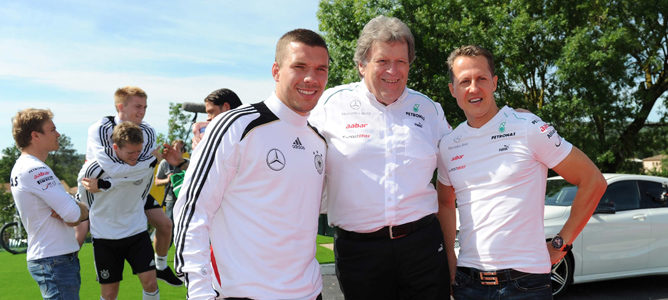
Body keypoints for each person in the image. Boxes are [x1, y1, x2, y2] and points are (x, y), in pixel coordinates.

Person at [439, 45, 607, 299]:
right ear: (453, 90)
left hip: (525, 284)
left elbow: (593, 181)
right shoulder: (449, 144)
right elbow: (445, 201)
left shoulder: (527, 127)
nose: (474, 88)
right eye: (464, 81)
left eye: (481, 78)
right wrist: (450, 259)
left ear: (494, 83)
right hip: (468, 283)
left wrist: (561, 244)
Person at [173, 28, 329, 299]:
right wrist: (198, 291)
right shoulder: (236, 126)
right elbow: (193, 209)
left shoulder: (318, 140)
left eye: (320, 69)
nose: (311, 78)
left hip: (310, 293)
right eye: (299, 66)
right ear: (276, 71)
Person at [309, 15, 452, 299]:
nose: (393, 71)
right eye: (383, 61)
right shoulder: (329, 104)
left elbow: (462, 158)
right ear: (361, 65)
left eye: (401, 62)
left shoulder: (429, 109)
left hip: (422, 247)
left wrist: (504, 124)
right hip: (359, 253)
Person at [82, 86, 183, 286]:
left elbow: (138, 169)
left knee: (165, 225)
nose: (142, 112)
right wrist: (150, 162)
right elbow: (112, 167)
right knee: (78, 230)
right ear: (120, 107)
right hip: (101, 195)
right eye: (137, 106)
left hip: (135, 191)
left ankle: (161, 266)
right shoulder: (101, 128)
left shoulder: (147, 131)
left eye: (145, 107)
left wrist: (107, 181)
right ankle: (65, 265)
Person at [77, 121, 165, 300]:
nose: (135, 157)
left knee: (150, 282)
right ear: (115, 147)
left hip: (136, 231)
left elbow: (143, 187)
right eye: (130, 152)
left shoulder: (145, 162)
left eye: (138, 151)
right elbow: (84, 199)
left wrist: (105, 185)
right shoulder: (93, 169)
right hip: (105, 237)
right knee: (109, 294)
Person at [10, 108, 89, 299]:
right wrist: (83, 210)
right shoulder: (35, 169)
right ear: (35, 136)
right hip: (54, 260)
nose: (58, 134)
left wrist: (73, 209)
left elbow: (70, 213)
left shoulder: (27, 166)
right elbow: (72, 214)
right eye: (52, 129)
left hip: (53, 258)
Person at [155, 139, 188, 223]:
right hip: (170, 201)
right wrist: (167, 180)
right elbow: (156, 182)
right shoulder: (164, 163)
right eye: (173, 147)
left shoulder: (190, 163)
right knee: (170, 228)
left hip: (185, 200)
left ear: (183, 151)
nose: (175, 150)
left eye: (178, 148)